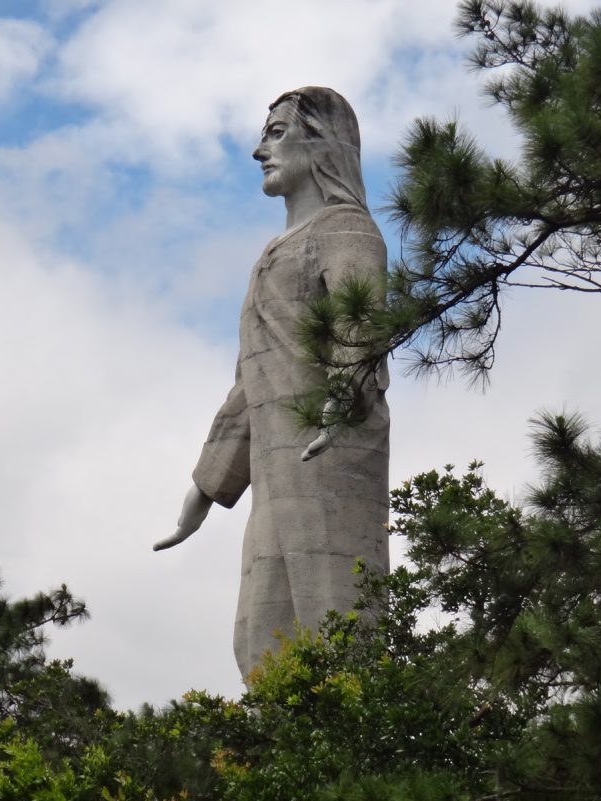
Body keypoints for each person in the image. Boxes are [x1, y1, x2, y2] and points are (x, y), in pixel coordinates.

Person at [153, 87, 389, 680]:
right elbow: (249, 384)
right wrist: (206, 487)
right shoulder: (273, 253)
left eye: (277, 134)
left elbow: (360, 331)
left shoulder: (348, 231)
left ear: (322, 144)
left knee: (339, 624)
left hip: (331, 459)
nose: (260, 151)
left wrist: (341, 400)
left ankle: (355, 736)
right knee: (261, 634)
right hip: (273, 472)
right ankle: (276, 738)